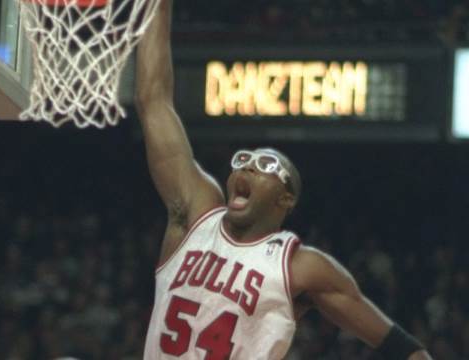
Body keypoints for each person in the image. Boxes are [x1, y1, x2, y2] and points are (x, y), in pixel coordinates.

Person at [134, 0, 433, 359]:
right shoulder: (195, 215)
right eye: (243, 160)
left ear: (286, 198)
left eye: (265, 165)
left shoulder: (300, 267)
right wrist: (158, 7)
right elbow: (153, 101)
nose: (246, 168)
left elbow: (394, 343)